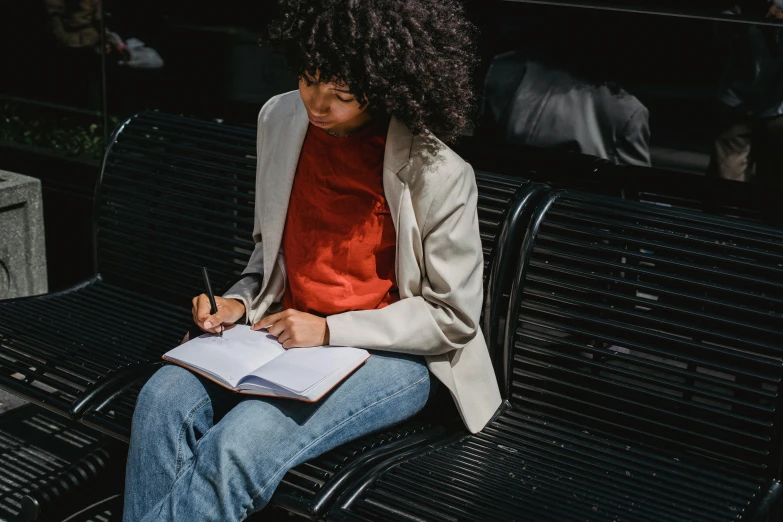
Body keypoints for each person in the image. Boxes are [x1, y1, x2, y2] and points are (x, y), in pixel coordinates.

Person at [121, 1, 501, 521]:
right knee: (162, 398)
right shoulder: (281, 119)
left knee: (239, 443)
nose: (318, 104)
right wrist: (238, 302)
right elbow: (272, 252)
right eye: (309, 79)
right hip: (280, 336)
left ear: (386, 88)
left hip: (390, 357)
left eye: (342, 94)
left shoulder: (437, 171)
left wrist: (328, 331)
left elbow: (452, 318)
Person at [478, 15, 651, 167]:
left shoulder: (503, 69)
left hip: (506, 195)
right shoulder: (626, 110)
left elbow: (485, 150)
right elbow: (635, 190)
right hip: (574, 200)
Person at [708, 0, 783, 187]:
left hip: (776, 106)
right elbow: (722, 29)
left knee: (773, 181)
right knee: (729, 182)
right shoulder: (738, 11)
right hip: (737, 102)